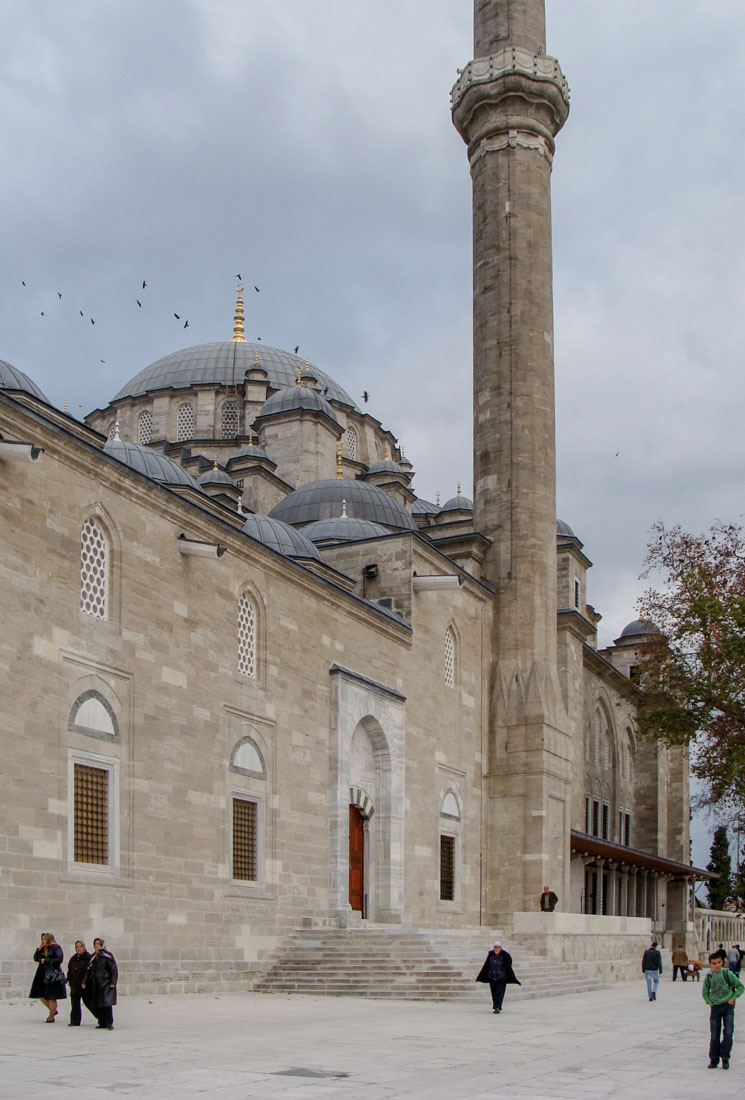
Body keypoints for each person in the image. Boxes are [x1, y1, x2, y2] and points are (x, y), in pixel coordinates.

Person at [703, 949, 744, 1069]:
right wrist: (709, 1002)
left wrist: (733, 998)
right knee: (714, 1035)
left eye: (719, 963)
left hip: (728, 1007)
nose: (717, 965)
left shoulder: (728, 974)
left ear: (722, 963)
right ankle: (714, 1059)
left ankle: (725, 1057)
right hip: (715, 1008)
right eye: (714, 963)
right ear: (710, 964)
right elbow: (705, 992)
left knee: (728, 1033)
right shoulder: (709, 977)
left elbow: (740, 987)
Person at [29, 932, 67, 1022]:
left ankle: (51, 1016)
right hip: (41, 973)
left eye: (45, 939)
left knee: (51, 995)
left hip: (52, 974)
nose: (43, 941)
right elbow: (35, 958)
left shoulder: (56, 947)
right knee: (40, 994)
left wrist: (46, 960)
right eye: (42, 939)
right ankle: (53, 1009)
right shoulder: (43, 948)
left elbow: (59, 959)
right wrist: (39, 948)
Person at [82, 937, 118, 1030]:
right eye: (95, 944)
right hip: (96, 984)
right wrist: (84, 981)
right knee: (98, 1004)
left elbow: (113, 969)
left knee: (106, 1004)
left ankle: (109, 1023)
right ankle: (102, 1022)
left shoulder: (107, 956)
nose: (96, 945)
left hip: (105, 983)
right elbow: (88, 970)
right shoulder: (93, 957)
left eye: (98, 944)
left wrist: (113, 982)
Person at [476, 941, 520, 1014]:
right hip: (492, 977)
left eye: (497, 947)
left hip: (501, 977)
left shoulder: (505, 955)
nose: (496, 949)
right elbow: (486, 965)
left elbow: (508, 965)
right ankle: (495, 1005)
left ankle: (497, 1007)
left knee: (499, 992)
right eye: (495, 947)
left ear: (500, 948)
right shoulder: (491, 955)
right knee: (494, 992)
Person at [67, 940, 91, 1026]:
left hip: (85, 985)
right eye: (77, 947)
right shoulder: (73, 958)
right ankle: (75, 1021)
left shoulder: (88, 957)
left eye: (80, 947)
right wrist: (69, 980)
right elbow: (70, 970)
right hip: (75, 985)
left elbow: (90, 971)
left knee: (89, 1003)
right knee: (75, 1004)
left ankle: (101, 1018)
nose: (79, 949)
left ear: (84, 947)